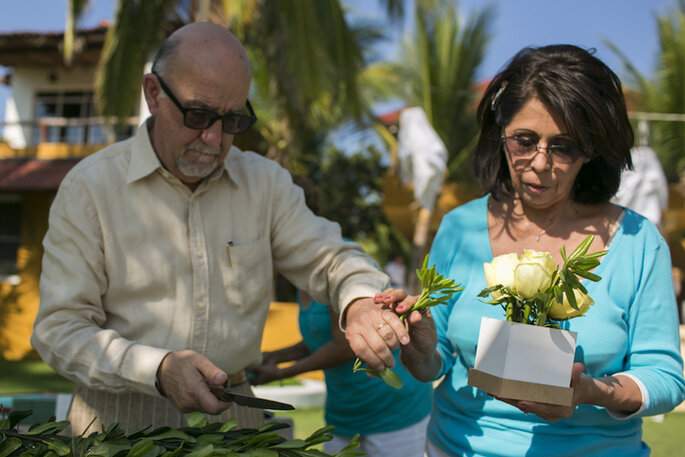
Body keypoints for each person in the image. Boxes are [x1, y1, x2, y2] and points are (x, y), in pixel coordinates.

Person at [31, 22, 389, 436]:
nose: (214, 137)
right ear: (153, 94)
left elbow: (330, 257)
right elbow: (60, 328)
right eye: (198, 114)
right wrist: (158, 369)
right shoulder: (90, 188)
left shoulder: (265, 184)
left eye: (232, 119)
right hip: (117, 421)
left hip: (233, 415)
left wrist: (360, 301)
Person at [349, 44, 685, 457]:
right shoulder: (459, 227)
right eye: (524, 141)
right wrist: (419, 349)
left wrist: (589, 392)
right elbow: (435, 363)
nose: (540, 163)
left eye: (564, 146)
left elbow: (665, 377)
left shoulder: (637, 240)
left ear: (593, 149)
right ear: (500, 133)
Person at [249, 178, 432, 457]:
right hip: (344, 411)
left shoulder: (335, 262)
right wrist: (273, 355)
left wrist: (283, 373)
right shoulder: (302, 269)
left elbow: (347, 344)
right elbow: (320, 336)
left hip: (391, 411)